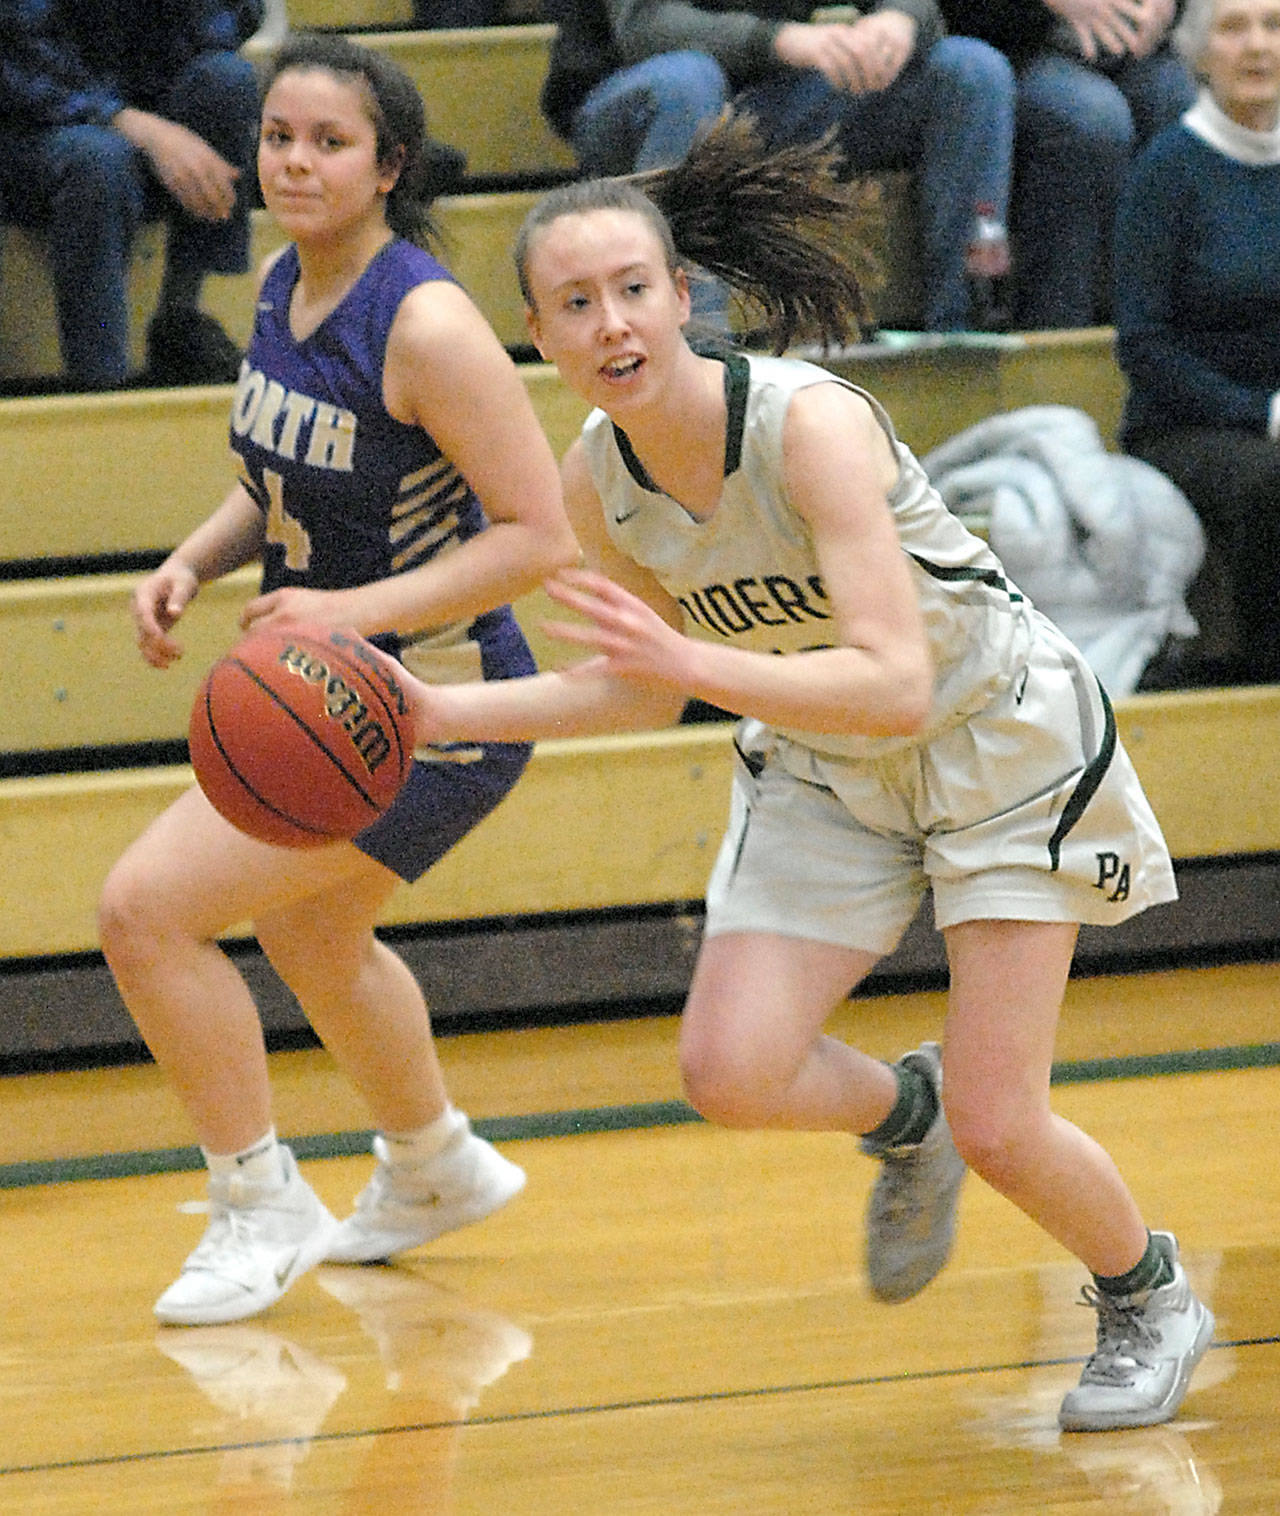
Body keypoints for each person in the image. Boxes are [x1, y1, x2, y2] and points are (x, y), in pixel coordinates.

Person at [385, 116, 1214, 1431]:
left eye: (635, 289)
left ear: (686, 297)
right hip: (830, 763)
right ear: (538, 336)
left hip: (995, 740)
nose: (613, 322)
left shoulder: (807, 425)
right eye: (575, 301)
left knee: (1011, 1125)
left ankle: (1147, 1293)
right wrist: (439, 710)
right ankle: (906, 1113)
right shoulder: (596, 486)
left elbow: (892, 677)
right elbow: (644, 685)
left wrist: (691, 663)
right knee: (730, 1070)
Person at [96, 33, 577, 1326]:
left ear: (389, 166)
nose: (296, 162)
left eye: (331, 143)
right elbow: (279, 476)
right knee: (311, 930)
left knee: (145, 913)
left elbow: (540, 534)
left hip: (430, 710)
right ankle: (433, 1167)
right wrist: (194, 561)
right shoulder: (277, 284)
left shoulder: (425, 321)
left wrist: (352, 614)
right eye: (279, 138)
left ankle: (260, 1203)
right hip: (339, 700)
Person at [539, 0, 1016, 332]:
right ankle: (699, 344)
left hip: (764, 101)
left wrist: (899, 18)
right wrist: (781, 39)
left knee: (971, 70)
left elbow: (920, 9)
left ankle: (966, 319)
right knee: (689, 81)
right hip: (630, 98)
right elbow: (646, 28)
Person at [1114, 0, 1280, 686]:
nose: (1257, 45)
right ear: (1199, 53)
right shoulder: (1166, 172)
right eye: (1233, 27)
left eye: (1274, 25)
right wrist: (1262, 415)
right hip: (1189, 427)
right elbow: (1143, 346)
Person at [0, 1, 265, 391]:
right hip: (32, 126)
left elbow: (230, 20)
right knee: (98, 159)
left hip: (137, 115)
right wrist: (125, 119)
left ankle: (180, 317)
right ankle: (102, 379)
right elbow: (20, 64)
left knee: (226, 82)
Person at [937, 0, 1195, 327]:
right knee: (1091, 122)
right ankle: (1055, 340)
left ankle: (1174, 343)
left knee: (1182, 108)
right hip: (1015, 45)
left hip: (1131, 50)